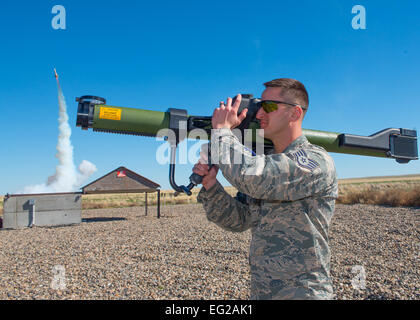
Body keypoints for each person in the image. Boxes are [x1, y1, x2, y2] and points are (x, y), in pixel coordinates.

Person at [193, 78, 338, 300]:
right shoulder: (268, 161)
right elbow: (240, 220)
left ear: (295, 114)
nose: (260, 114)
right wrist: (211, 185)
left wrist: (222, 131)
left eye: (268, 106)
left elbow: (253, 177)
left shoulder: (313, 161)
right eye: (259, 106)